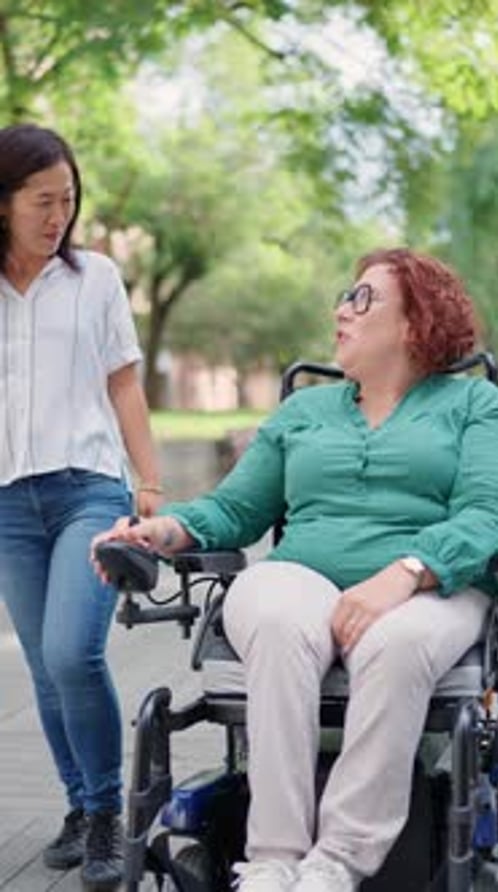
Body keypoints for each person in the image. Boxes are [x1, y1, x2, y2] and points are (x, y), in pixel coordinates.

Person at [93, 247, 498, 892]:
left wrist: (405, 572)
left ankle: (337, 863)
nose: (341, 308)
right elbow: (234, 509)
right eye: (344, 294)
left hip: (431, 584)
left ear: (414, 320)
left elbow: (486, 514)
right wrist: (163, 529)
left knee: (396, 641)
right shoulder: (303, 413)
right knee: (280, 618)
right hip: (303, 572)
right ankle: (273, 860)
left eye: (362, 297)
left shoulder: (475, 405)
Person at [0, 123, 165, 892]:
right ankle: (78, 805)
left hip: (88, 491)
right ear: (3, 203)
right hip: (8, 500)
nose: (56, 214)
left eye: (66, 199)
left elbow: (125, 383)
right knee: (40, 666)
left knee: (73, 651)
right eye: (41, 200)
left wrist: (150, 487)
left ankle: (107, 813)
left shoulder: (95, 276)